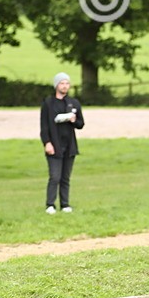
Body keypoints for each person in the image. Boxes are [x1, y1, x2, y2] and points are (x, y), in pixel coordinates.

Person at [40, 72, 85, 214]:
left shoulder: (74, 103)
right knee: (55, 176)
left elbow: (80, 124)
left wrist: (73, 120)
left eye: (67, 83)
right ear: (56, 85)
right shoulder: (48, 103)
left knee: (65, 177)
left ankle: (65, 204)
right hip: (54, 145)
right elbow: (44, 126)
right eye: (62, 83)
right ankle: (50, 205)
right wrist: (47, 143)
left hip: (69, 145)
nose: (65, 86)